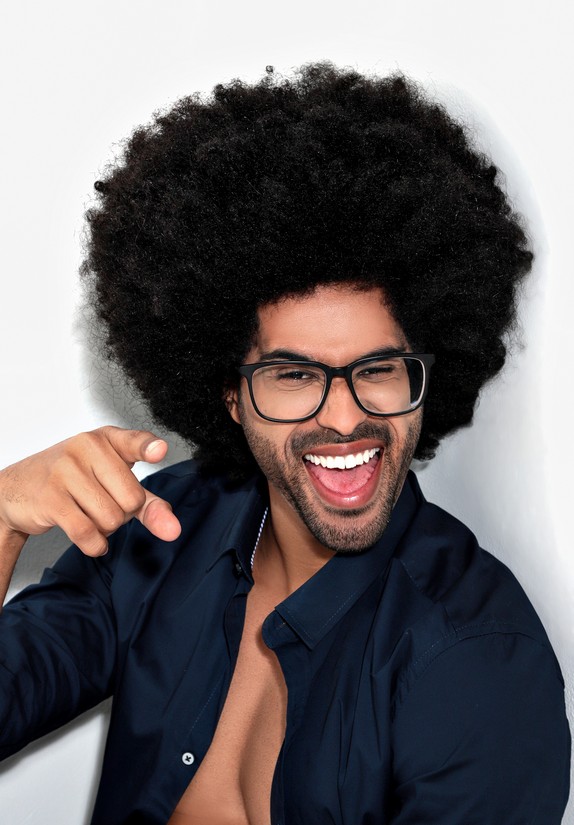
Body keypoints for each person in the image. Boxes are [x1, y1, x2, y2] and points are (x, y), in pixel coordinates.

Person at [0, 63, 570, 824]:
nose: (343, 417)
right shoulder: (164, 529)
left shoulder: (477, 660)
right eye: (295, 375)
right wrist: (2, 518)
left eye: (377, 369)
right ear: (232, 396)